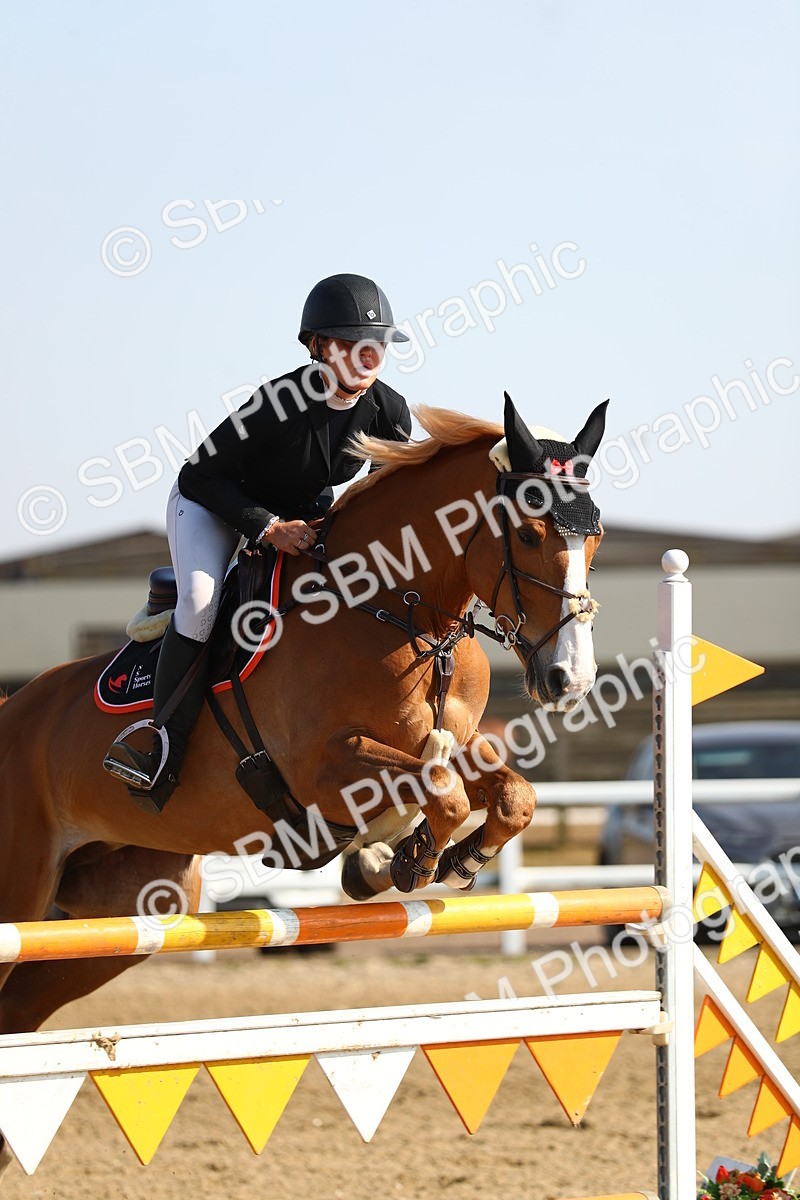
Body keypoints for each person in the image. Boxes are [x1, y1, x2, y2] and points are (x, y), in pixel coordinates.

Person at [103, 273, 412, 814]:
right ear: (317, 346)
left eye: (377, 345)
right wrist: (267, 528)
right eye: (351, 343)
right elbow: (199, 474)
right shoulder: (278, 402)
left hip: (300, 509)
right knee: (200, 607)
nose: (368, 356)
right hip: (213, 504)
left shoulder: (390, 410)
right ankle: (161, 744)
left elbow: (391, 494)